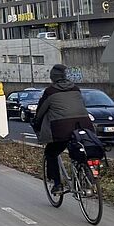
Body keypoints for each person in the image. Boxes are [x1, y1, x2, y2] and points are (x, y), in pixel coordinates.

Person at [31, 64, 94, 194]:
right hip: (84, 126)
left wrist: (36, 122)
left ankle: (57, 184)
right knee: (80, 151)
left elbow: (41, 112)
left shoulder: (50, 92)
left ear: (52, 78)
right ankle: (87, 179)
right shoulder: (76, 89)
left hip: (61, 129)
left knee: (51, 153)